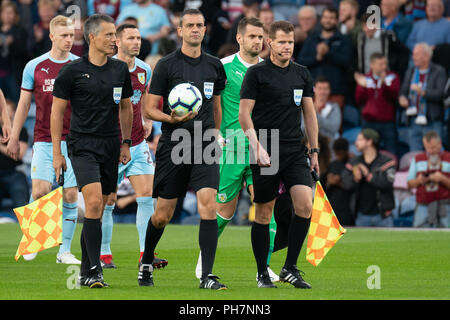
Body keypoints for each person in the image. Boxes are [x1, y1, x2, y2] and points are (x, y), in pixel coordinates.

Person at [138, 9, 227, 290]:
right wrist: (171, 119)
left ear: (205, 29)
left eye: (200, 25)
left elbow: (216, 106)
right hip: (174, 144)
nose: (195, 30)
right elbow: (149, 108)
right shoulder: (166, 65)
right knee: (163, 214)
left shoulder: (214, 66)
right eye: (189, 25)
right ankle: (146, 262)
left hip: (204, 145)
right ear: (179, 30)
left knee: (208, 206)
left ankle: (207, 276)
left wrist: (214, 134)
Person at [51, 13, 133, 288]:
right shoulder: (72, 71)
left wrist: (125, 142)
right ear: (92, 38)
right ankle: (94, 270)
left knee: (105, 203)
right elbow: (57, 111)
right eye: (109, 35)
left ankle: (87, 271)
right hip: (82, 145)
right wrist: (56, 153)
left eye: (115, 34)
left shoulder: (121, 70)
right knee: (95, 202)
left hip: (110, 144)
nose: (114, 40)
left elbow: (125, 107)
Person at [194, 17, 279, 282]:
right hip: (230, 148)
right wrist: (213, 135)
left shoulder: (271, 69)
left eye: (260, 36)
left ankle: (263, 269)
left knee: (267, 213)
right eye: (252, 36)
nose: (257, 41)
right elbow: (210, 102)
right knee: (224, 212)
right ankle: (204, 259)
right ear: (240, 38)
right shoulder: (223, 67)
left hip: (263, 147)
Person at [239, 20, 319, 289]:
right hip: (266, 147)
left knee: (305, 205)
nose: (287, 46)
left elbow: (309, 113)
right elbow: (244, 114)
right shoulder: (257, 74)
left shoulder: (302, 74)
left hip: (295, 149)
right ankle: (263, 272)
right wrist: (256, 145)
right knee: (263, 212)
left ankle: (290, 267)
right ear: (269, 43)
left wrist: (315, 150)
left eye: (291, 42)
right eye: (282, 41)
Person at [6, 15, 80, 264]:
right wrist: (14, 137)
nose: (69, 40)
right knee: (40, 190)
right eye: (64, 36)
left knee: (70, 195)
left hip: (73, 141)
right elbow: (24, 103)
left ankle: (64, 251)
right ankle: (34, 238)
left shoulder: (80, 65)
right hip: (44, 139)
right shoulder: (35, 66)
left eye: (71, 35)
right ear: (52, 37)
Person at [99, 23, 167, 270]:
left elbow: (145, 99)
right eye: (131, 38)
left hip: (137, 143)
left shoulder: (145, 69)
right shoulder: (106, 69)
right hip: (111, 145)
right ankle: (104, 254)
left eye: (138, 38)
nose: (136, 42)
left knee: (147, 195)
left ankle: (144, 253)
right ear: (117, 41)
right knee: (108, 200)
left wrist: (147, 120)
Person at [298, 6, 353, 108]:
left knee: (334, 123)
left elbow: (347, 62)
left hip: (336, 92)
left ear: (337, 21)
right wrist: (317, 58)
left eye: (331, 18)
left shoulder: (344, 39)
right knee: (310, 123)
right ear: (321, 19)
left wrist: (328, 53)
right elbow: (301, 62)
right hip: (313, 92)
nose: (328, 20)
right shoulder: (312, 38)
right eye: (326, 17)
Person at [341, 129, 396, 227]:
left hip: (383, 216)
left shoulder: (387, 162)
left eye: (360, 139)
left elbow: (387, 183)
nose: (356, 142)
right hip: (361, 216)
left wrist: (368, 175)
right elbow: (346, 184)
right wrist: (355, 179)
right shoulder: (353, 162)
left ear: (369, 142)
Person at [398, 43, 447, 151]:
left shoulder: (439, 71)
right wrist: (402, 98)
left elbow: (440, 94)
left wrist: (423, 92)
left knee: (435, 152)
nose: (413, 57)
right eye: (413, 54)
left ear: (426, 56)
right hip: (413, 119)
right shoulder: (411, 71)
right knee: (415, 154)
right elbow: (404, 90)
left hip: (432, 120)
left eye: (416, 55)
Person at [354, 52, 400, 155]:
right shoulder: (365, 78)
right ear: (372, 65)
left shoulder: (392, 77)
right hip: (369, 122)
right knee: (367, 150)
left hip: (387, 122)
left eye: (385, 64)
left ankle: (392, 170)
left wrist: (384, 84)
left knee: (391, 150)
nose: (384, 67)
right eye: (380, 64)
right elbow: (359, 100)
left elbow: (394, 97)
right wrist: (362, 87)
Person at [407, 131, 450, 228]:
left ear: (440, 144)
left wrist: (443, 179)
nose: (430, 151)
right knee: (419, 235)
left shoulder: (449, 158)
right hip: (423, 204)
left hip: (445, 204)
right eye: (427, 147)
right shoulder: (418, 158)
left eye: (433, 147)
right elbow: (409, 183)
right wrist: (419, 180)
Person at [354, 13, 409, 81]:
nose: (366, 29)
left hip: (385, 79)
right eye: (364, 26)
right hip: (366, 79)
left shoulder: (388, 36)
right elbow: (356, 56)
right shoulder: (360, 38)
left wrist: (396, 72)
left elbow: (404, 52)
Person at [0, 99, 29, 211]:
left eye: (8, 112)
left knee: (22, 207)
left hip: (14, 173)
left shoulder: (21, 130)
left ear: (13, 112)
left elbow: (19, 155)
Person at [325, 138, 354, 226]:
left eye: (340, 153)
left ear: (346, 151)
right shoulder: (333, 164)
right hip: (333, 204)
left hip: (347, 206)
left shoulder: (352, 163)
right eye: (336, 153)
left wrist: (338, 182)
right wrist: (330, 181)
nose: (338, 156)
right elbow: (327, 182)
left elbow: (352, 185)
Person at [310, 76, 341, 144]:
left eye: (325, 89)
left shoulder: (334, 107)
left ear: (329, 91)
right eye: (320, 88)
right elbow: (303, 128)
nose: (322, 92)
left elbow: (334, 127)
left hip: (329, 145)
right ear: (314, 89)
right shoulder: (307, 107)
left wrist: (315, 115)